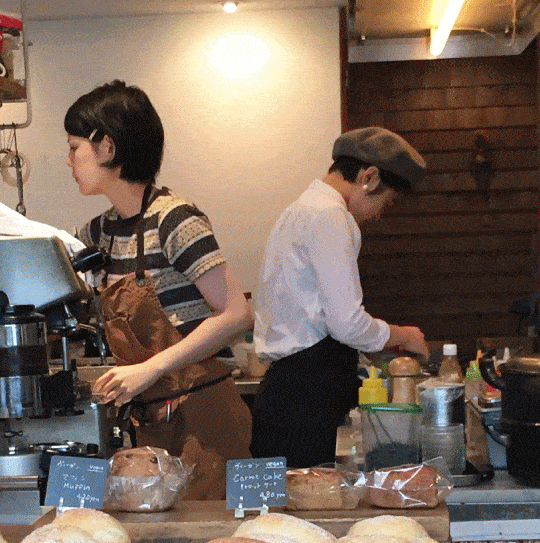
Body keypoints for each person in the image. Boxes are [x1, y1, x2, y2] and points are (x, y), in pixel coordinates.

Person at [65, 80, 253, 496]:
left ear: (106, 147)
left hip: (204, 419)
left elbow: (237, 314)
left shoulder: (174, 219)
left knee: (205, 530)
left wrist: (149, 368)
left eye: (75, 147)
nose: (69, 160)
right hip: (151, 419)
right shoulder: (99, 232)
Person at [249, 126, 430, 467]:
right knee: (307, 499)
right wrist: (403, 335)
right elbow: (346, 324)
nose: (379, 214)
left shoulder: (301, 209)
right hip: (306, 400)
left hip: (288, 393)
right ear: (369, 178)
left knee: (285, 499)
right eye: (386, 202)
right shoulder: (330, 216)